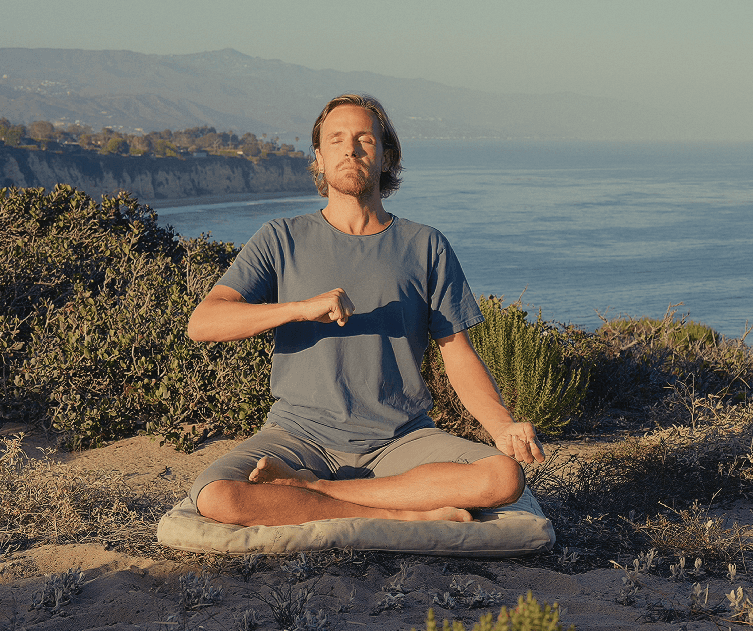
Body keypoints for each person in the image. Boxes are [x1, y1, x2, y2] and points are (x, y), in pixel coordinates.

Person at [186, 93, 544, 527]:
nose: (350, 148)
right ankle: (408, 514)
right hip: (298, 437)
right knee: (216, 496)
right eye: (335, 140)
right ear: (318, 158)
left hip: (401, 440)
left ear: (386, 157)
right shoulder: (281, 238)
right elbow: (204, 322)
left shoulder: (425, 245)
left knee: (503, 476)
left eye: (364, 140)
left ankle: (316, 492)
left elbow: (458, 353)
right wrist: (299, 309)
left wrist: (502, 426)